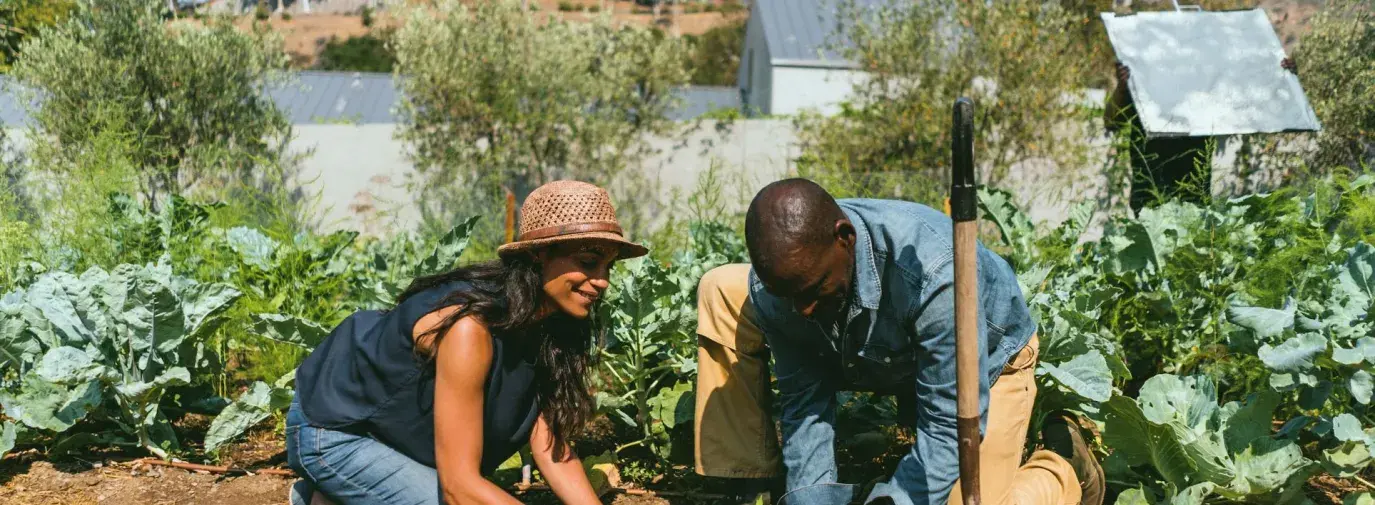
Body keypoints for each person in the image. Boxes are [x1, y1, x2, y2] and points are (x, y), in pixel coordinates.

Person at [698, 178, 1104, 505]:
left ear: (845, 238)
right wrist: (812, 499)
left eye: (814, 289)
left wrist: (898, 499)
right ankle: (748, 485)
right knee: (724, 287)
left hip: (989, 361)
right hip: (878, 350)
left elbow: (950, 422)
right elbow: (804, 399)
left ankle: (1063, 467)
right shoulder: (782, 290)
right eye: (790, 297)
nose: (801, 310)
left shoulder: (935, 274)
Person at [285, 180, 647, 505]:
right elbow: (460, 488)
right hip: (336, 430)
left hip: (395, 433)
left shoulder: (551, 325)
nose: (601, 281)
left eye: (608, 268)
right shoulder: (469, 328)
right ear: (538, 255)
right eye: (587, 262)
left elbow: (551, 446)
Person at [1105, 58, 1299, 215]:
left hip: (1194, 199)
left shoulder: (1207, 88)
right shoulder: (1144, 83)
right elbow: (1112, 121)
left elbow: (1253, 103)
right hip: (1149, 199)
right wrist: (1122, 88)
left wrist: (1280, 78)